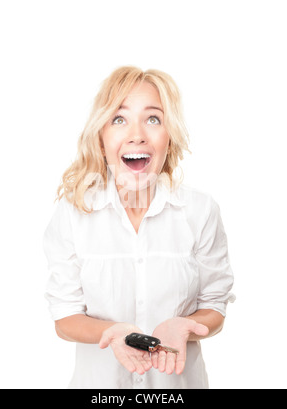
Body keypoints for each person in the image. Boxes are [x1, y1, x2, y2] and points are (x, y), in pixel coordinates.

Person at [43, 66, 234, 389]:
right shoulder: (72, 213)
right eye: (119, 119)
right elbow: (64, 318)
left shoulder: (200, 211)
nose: (137, 134)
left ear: (168, 138)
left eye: (153, 119)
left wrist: (185, 325)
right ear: (101, 139)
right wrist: (111, 332)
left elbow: (214, 305)